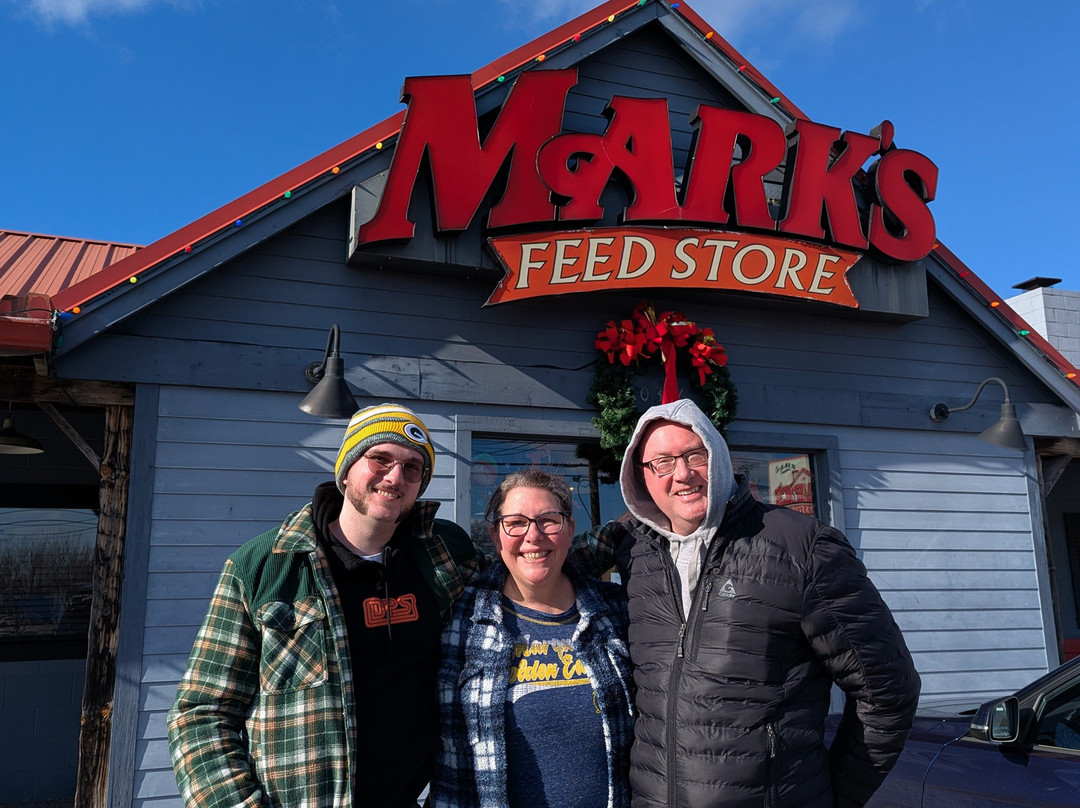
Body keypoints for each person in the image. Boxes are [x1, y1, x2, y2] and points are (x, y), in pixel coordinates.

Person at [167, 403, 480, 808]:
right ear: (346, 470)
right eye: (380, 459)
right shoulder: (263, 566)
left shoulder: (443, 554)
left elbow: (521, 581)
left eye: (412, 467)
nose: (395, 477)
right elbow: (201, 714)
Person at [612, 398, 921, 808]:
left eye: (694, 455)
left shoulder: (802, 547)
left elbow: (887, 688)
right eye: (662, 463)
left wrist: (837, 797)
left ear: (719, 456)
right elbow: (543, 558)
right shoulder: (634, 550)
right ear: (642, 477)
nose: (682, 474)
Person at [431, 470, 635, 808]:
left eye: (549, 520)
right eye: (516, 523)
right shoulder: (459, 619)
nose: (534, 536)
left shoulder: (616, 612)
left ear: (570, 529)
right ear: (496, 535)